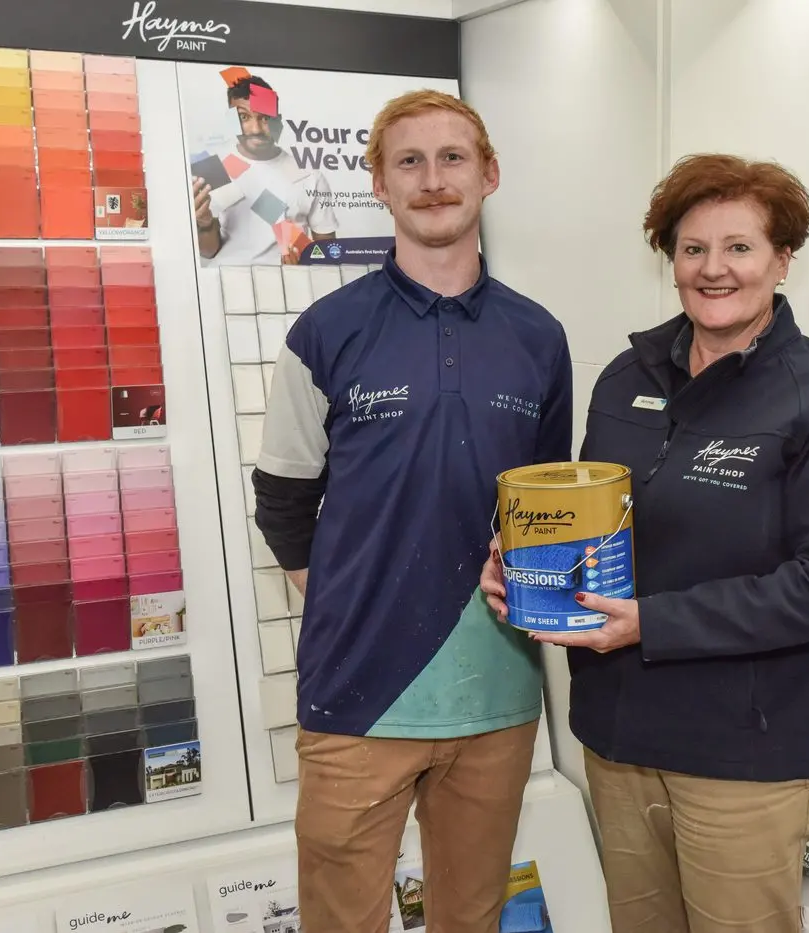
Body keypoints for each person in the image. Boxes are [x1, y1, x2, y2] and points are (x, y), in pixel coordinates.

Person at [481, 153, 809, 933]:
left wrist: (653, 623)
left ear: (782, 258)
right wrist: (528, 564)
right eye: (693, 248)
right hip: (619, 741)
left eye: (739, 247)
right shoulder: (624, 376)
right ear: (670, 258)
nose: (714, 269)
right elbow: (594, 526)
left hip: (743, 759)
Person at [252, 89, 573, 933]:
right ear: (381, 187)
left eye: (453, 159)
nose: (433, 181)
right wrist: (350, 597)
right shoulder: (326, 332)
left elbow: (544, 506)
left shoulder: (539, 338)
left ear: (489, 175)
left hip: (498, 697)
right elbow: (283, 497)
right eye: (410, 162)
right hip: (358, 697)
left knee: (468, 918)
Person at [192, 72, 337, 265]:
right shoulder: (212, 167)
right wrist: (204, 224)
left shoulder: (309, 175)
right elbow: (209, 252)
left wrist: (305, 265)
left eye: (265, 118)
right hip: (227, 282)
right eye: (244, 117)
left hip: (294, 285)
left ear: (278, 121)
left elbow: (328, 255)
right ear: (231, 120)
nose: (256, 129)